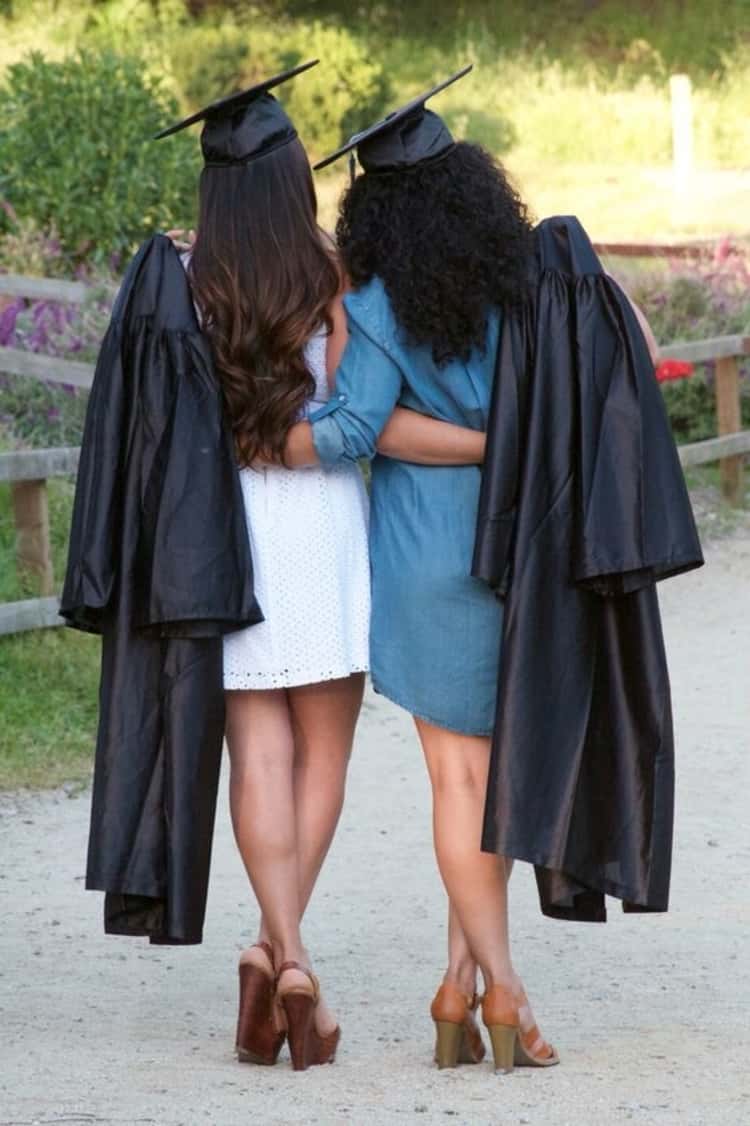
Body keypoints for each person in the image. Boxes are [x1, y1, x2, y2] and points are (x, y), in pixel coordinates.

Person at [279, 66, 697, 1073]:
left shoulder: (369, 299)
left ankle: (497, 986)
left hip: (428, 556)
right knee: (495, 773)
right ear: (473, 184)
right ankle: (461, 985)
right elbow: (632, 357)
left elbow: (361, 427)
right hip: (529, 550)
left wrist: (271, 438)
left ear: (371, 208)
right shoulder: (539, 281)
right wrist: (521, 430)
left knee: (459, 777)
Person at [158, 63, 487, 1071]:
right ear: (296, 181)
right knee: (324, 758)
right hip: (325, 529)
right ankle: (285, 954)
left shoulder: (185, 283)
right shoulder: (334, 274)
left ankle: (284, 951)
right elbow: (355, 415)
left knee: (254, 751)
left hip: (233, 534)